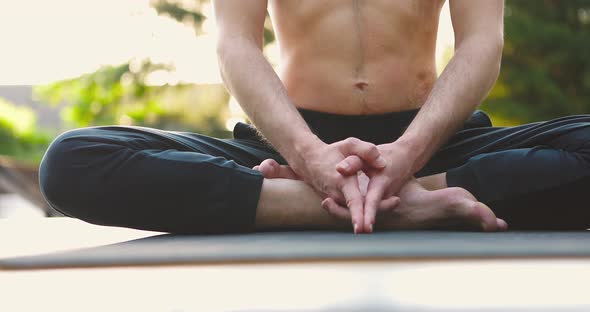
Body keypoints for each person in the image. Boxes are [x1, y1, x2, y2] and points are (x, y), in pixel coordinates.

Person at [39, 0, 590, 234]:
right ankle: (400, 206)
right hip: (288, 150)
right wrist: (307, 156)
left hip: (430, 144)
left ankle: (405, 189)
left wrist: (406, 157)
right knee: (74, 161)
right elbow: (234, 45)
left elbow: (482, 44)